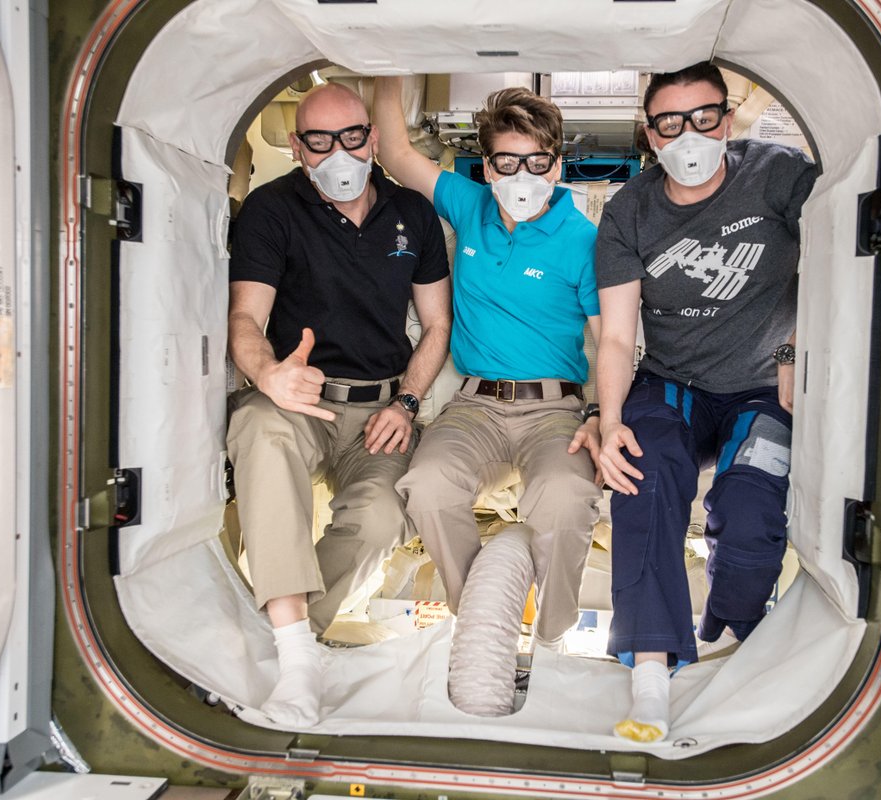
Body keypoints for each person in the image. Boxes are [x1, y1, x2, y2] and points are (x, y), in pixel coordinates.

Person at [595, 62, 817, 742]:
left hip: (762, 383)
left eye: (703, 117)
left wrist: (794, 352)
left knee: (751, 515)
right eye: (670, 123)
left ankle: (735, 620)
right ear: (649, 133)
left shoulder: (778, 175)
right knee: (642, 476)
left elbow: (844, 252)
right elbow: (616, 337)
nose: (688, 135)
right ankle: (650, 675)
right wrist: (609, 424)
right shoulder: (630, 210)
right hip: (674, 384)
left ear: (727, 118)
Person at [226, 82, 452, 728]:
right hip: (299, 398)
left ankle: (291, 644)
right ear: (299, 148)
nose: (339, 155)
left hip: (381, 408)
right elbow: (245, 318)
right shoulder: (271, 210)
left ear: (372, 140)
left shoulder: (411, 213)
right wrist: (269, 374)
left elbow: (436, 325)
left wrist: (407, 402)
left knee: (380, 515)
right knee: (261, 430)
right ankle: (298, 660)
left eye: (352, 137)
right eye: (320, 142)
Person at [372, 76, 603, 653]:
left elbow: (609, 342)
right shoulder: (469, 204)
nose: (522, 176)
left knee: (565, 496)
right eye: (507, 161)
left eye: (536, 162)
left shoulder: (583, 239)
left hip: (554, 410)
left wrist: (602, 414)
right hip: (473, 405)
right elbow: (395, 152)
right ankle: (479, 619)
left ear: (555, 166)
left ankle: (551, 637)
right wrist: (385, 65)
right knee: (426, 484)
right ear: (489, 168)